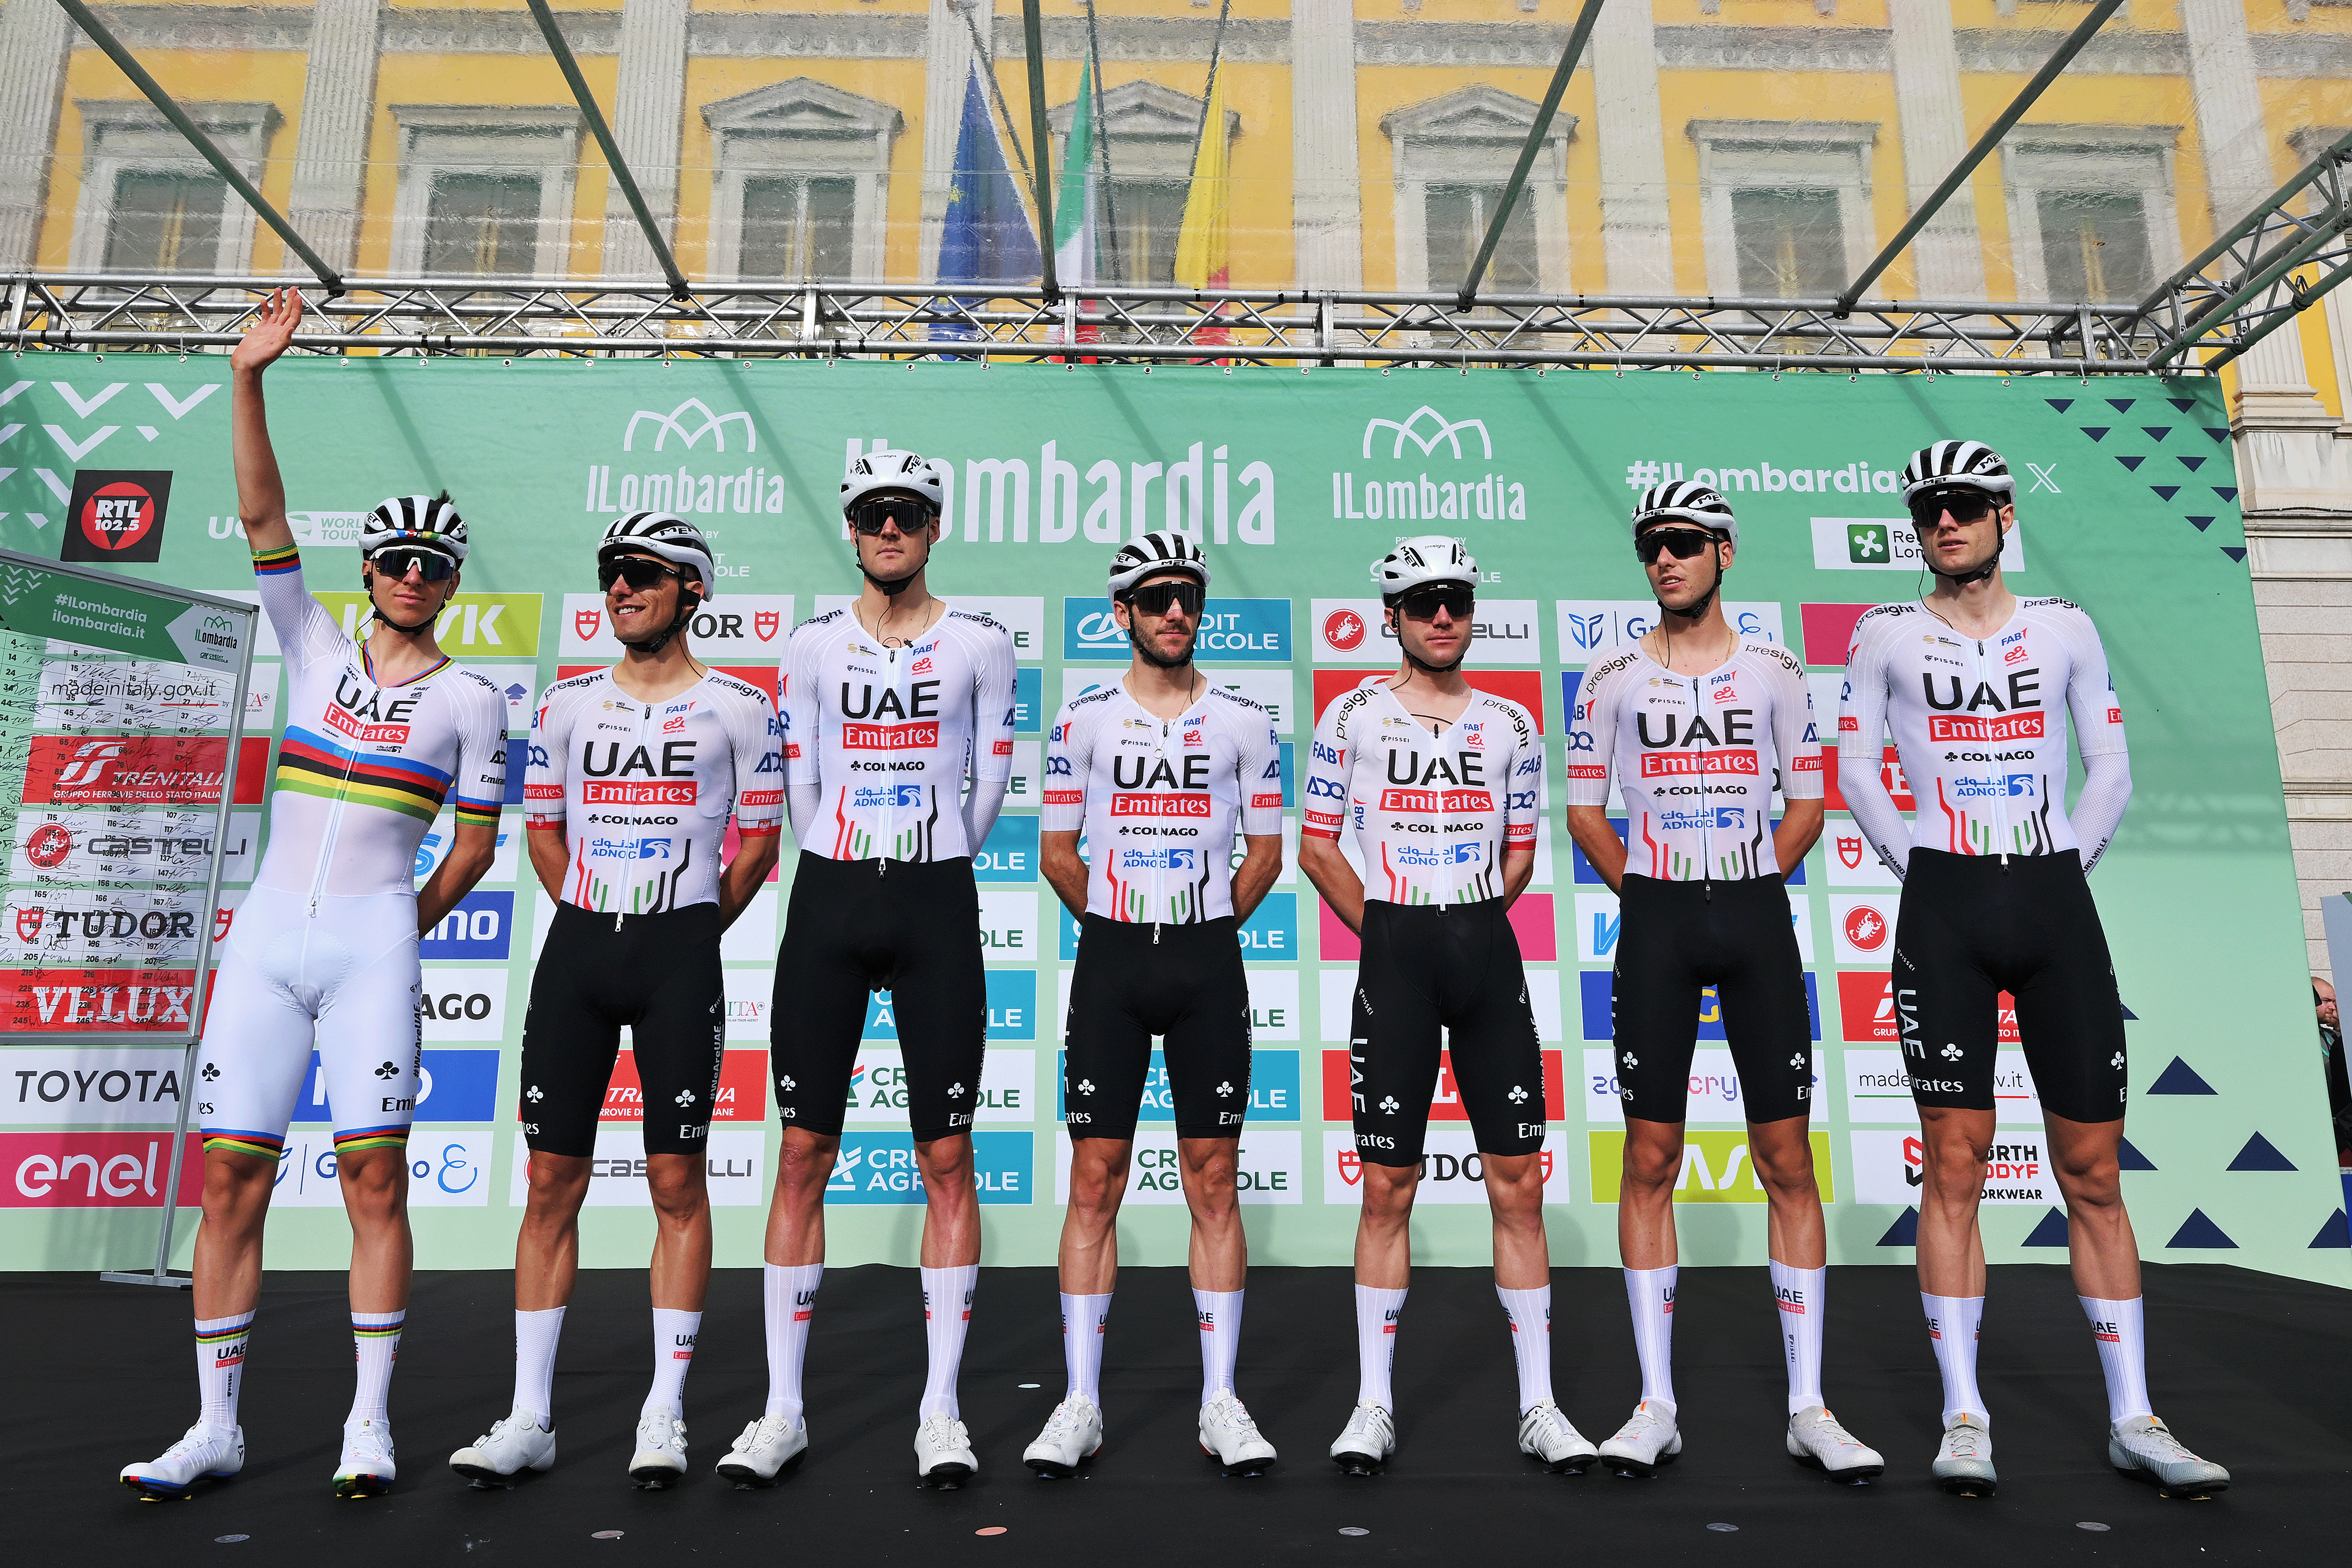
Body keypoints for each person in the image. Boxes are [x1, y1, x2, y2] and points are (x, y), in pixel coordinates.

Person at [120, 288, 510, 1501]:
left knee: (372, 1181)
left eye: (429, 565)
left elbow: (477, 849)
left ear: (447, 583)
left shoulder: (474, 702)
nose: (408, 575)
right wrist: (250, 377)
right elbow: (259, 512)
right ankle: (216, 1427)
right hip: (263, 950)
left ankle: (369, 1428)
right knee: (230, 1177)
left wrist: (397, 933)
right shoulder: (311, 647)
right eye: (393, 559)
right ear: (369, 570)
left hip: (370, 954)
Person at [1840, 439, 2228, 1497]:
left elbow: (2109, 761)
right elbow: (1855, 769)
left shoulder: (2065, 628)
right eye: (1928, 510)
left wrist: (2067, 859)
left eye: (1965, 506)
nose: (1945, 523)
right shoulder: (1882, 635)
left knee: (2094, 1174)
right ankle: (1965, 1414)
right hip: (1947, 906)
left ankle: (2134, 1417)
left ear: (2007, 516)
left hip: (2054, 901)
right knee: (1954, 1162)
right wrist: (1917, 859)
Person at [448, 512, 783, 1489]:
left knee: (678, 1186)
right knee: (551, 1184)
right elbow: (542, 836)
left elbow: (758, 848)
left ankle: (665, 1413)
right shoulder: (565, 705)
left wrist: (682, 930)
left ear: (694, 590)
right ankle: (530, 1417)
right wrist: (604, 915)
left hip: (683, 951)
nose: (621, 589)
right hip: (581, 950)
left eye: (643, 573)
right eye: (611, 574)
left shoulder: (741, 707)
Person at [1565, 481, 1881, 1481]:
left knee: (1788, 1156)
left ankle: (1809, 1406)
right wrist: (1655, 895)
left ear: (1724, 555)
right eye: (1653, 545)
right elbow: (1583, 812)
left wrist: (1747, 882)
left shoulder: (1780, 670)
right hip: (1658, 919)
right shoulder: (1608, 675)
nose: (1667, 559)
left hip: (1753, 918)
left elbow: (1809, 802)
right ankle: (1654, 1402)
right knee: (1649, 1155)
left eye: (1686, 543)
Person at [743, 449, 1017, 1489]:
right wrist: (841, 859)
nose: (887, 527)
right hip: (831, 896)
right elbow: (802, 774)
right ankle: (782, 1411)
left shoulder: (982, 643)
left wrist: (931, 851)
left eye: (905, 513)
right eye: (870, 513)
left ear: (933, 527)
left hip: (936, 893)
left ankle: (939, 1412)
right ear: (851, 530)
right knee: (803, 1148)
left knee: (947, 1158)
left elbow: (991, 778)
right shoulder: (811, 643)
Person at [1299, 536, 1590, 1476]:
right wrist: (1386, 926)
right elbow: (1315, 846)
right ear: (1392, 615)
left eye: (1456, 601)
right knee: (1387, 1187)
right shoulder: (1349, 715)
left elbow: (1519, 857)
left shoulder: (1510, 723)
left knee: (1520, 1182)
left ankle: (1539, 1404)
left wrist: (1462, 919)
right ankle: (1373, 1405)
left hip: (1485, 956)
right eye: (1423, 602)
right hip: (1396, 958)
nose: (1441, 617)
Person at [1021, 532, 1286, 1478]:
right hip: (1114, 963)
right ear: (1122, 611)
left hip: (1208, 959)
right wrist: (1129, 926)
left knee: (1214, 1177)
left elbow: (1266, 853)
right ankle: (1081, 1400)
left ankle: (1221, 1399)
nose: (1175, 610)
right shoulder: (1082, 720)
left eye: (1188, 596)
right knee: (1095, 1179)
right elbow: (1058, 853)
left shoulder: (1248, 721)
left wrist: (1204, 926)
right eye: (1155, 596)